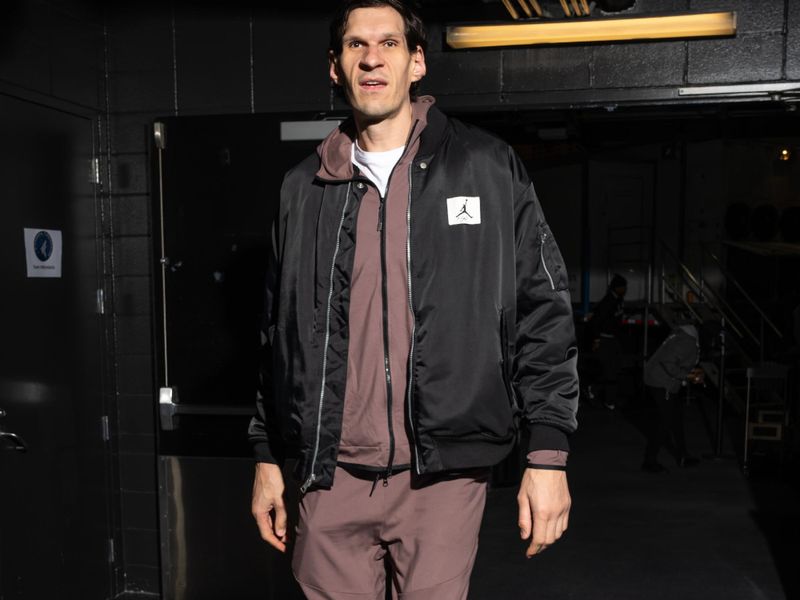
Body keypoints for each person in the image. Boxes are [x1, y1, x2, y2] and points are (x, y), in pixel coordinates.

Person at [248, 1, 579, 597]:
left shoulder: (486, 167)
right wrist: (268, 454)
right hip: (328, 476)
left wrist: (547, 455)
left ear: (417, 61)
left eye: (390, 43)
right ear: (334, 66)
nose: (372, 57)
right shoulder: (303, 187)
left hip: (442, 479)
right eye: (355, 45)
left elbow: (543, 311)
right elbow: (277, 331)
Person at [641, 323, 703, 473]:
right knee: (666, 422)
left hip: (657, 380)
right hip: (662, 384)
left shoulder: (680, 335)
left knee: (675, 419)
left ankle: (683, 456)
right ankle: (650, 461)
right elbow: (669, 363)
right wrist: (688, 376)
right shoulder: (687, 342)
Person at [586, 273, 627, 409]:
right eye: (622, 287)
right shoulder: (608, 301)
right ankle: (609, 400)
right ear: (616, 287)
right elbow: (596, 321)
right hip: (605, 339)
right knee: (610, 370)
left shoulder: (618, 300)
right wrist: (597, 339)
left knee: (615, 368)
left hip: (614, 339)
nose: (624, 289)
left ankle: (595, 388)